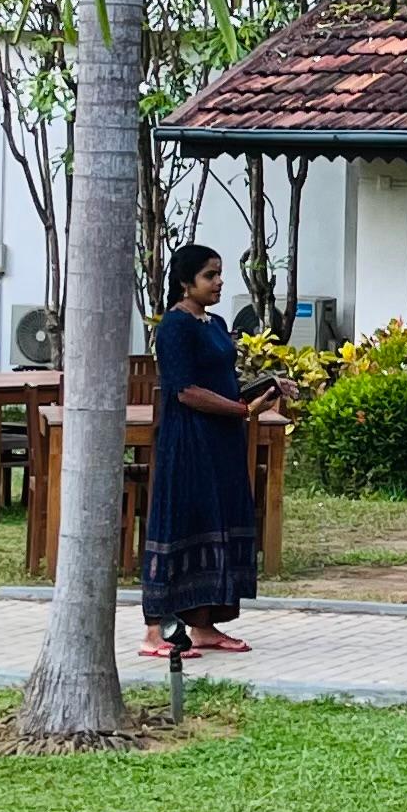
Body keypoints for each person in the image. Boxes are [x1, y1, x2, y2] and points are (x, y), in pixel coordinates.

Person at [147, 244, 277, 658]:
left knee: (217, 522)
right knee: (183, 524)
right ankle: (156, 632)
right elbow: (185, 391)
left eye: (220, 274)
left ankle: (203, 625)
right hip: (189, 442)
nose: (219, 282)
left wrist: (269, 388)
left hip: (222, 442)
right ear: (187, 282)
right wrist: (242, 410)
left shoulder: (216, 323)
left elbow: (224, 383)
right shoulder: (174, 327)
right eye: (210, 275)